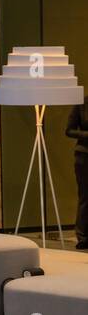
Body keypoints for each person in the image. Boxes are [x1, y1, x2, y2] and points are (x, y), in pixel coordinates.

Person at [68, 102, 88, 250]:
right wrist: (86, 134)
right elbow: (69, 130)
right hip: (84, 156)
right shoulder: (81, 104)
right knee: (85, 197)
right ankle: (83, 237)